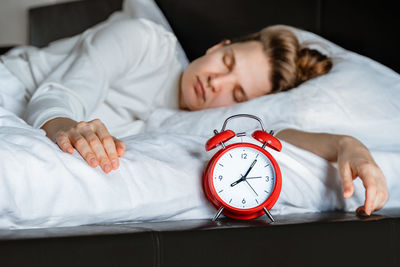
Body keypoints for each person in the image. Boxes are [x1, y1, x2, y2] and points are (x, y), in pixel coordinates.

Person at [0, 18, 388, 216]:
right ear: (219, 46)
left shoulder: (182, 123)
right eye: (227, 61)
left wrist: (346, 145)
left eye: (235, 93)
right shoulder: (145, 40)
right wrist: (66, 125)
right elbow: (59, 95)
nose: (214, 81)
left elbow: (272, 134)